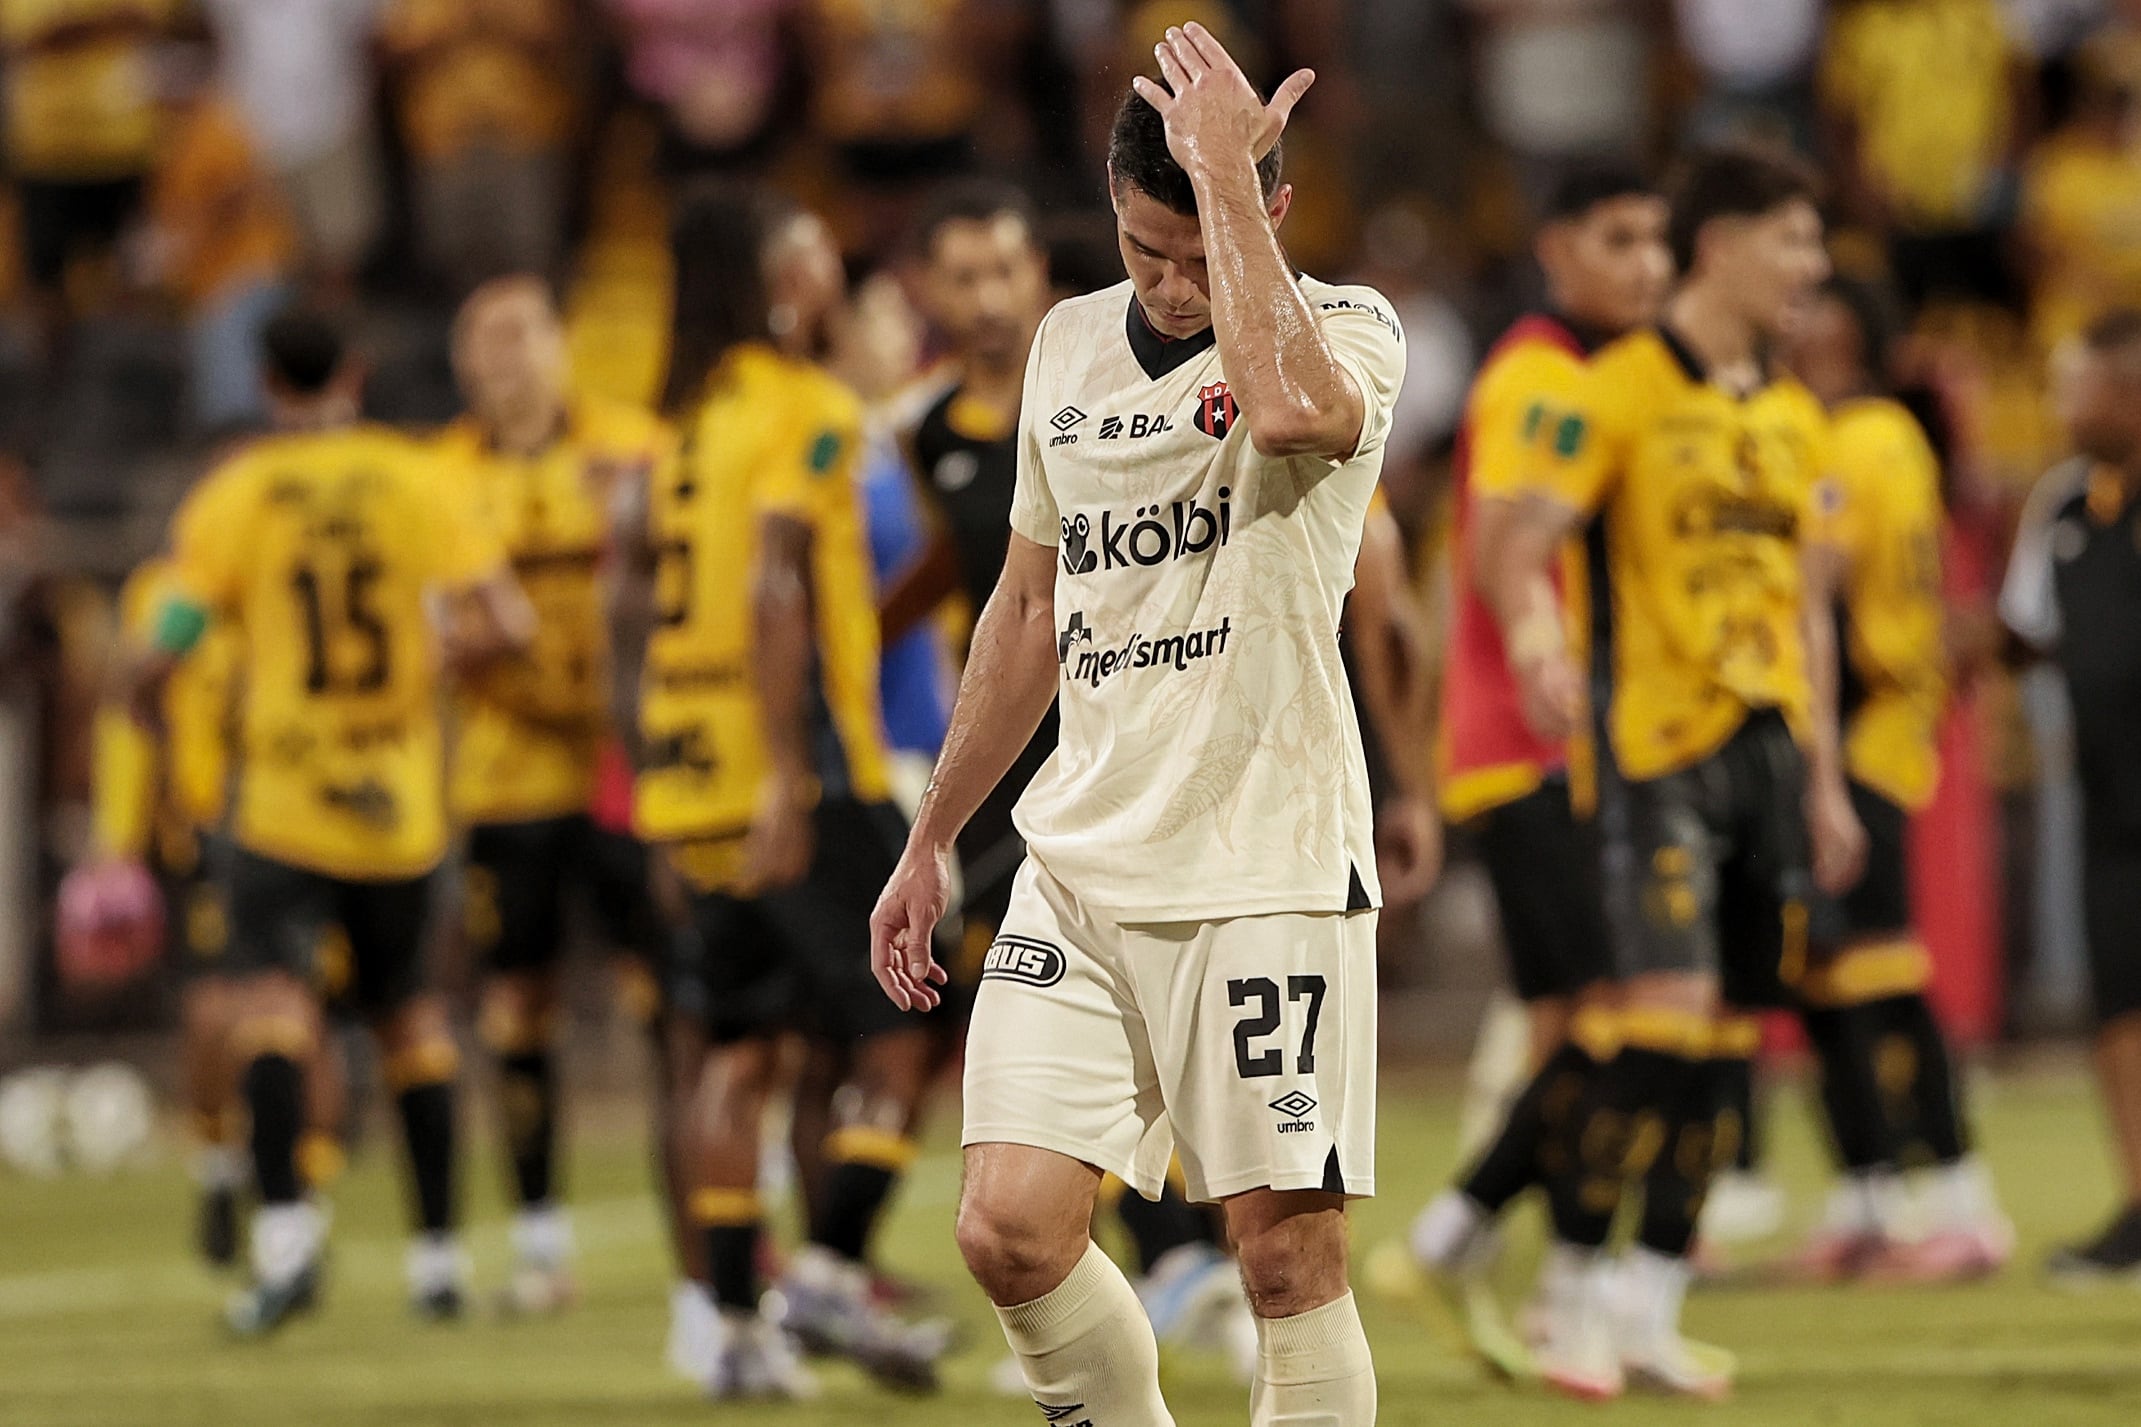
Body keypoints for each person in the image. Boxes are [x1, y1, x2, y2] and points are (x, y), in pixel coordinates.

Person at [871, 25, 1399, 1426]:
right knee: (1010, 1226)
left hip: (1263, 866)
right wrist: (933, 834)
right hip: (1085, 860)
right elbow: (1028, 611)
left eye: (1188, 248)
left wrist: (1225, 185)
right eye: (1138, 247)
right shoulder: (1063, 347)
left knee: (1286, 1253)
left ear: (1264, 210)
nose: (1163, 286)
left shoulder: (1347, 329)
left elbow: (1289, 413)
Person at [1482, 144, 1857, 1399]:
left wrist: (1823, 782)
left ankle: (1644, 1305)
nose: (1811, 268)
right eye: (1793, 241)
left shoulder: (1791, 410)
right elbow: (1519, 538)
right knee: (1653, 1027)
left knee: (1722, 1043)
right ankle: (1571, 1294)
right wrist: (1536, 641)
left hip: (1767, 751)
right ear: (1723, 245)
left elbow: (1806, 610)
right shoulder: (1618, 387)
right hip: (1653, 746)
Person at [887, 177, 1260, 1383]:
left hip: (1188, 782)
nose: (990, 297)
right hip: (1025, 776)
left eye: (1006, 269)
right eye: (963, 275)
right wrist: (927, 807)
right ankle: (1124, 1259)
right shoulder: (934, 424)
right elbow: (1001, 593)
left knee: (1264, 1189)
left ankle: (1178, 1254)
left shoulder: (1193, 372)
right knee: (1016, 1115)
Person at [126, 310, 530, 1336]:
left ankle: (284, 1246)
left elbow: (173, 629)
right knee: (411, 1019)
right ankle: (437, 1260)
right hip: (398, 806)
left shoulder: (239, 493)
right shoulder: (417, 478)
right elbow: (508, 623)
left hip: (281, 804)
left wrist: (140, 691)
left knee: (271, 1010)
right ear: (355, 371)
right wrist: (434, 674)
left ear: (267, 382)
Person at [622, 186, 945, 1397]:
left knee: (737, 1046)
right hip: (797, 769)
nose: (826, 263)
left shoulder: (685, 422)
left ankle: (733, 1326)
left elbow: (639, 600)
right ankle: (826, 1267)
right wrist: (783, 776)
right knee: (911, 1015)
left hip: (688, 774)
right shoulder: (808, 410)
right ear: (773, 279)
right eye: (807, 246)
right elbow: (775, 586)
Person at [1407, 161, 1671, 1380]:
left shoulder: (1580, 376)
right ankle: (1464, 1239)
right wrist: (1539, 653)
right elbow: (1506, 544)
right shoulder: (1541, 380)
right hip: (1532, 743)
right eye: (1618, 238)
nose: (1647, 266)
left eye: (1657, 242)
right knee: (1616, 1018)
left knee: (1587, 1022)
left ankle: (1558, 1279)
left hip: (1535, 741)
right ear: (1556, 248)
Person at [435, 275, 671, 1315]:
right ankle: (539, 1239)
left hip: (630, 775)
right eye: (485, 337)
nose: (508, 353)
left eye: (525, 331)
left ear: (562, 344)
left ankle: (710, 1226)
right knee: (515, 1001)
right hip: (507, 779)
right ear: (461, 362)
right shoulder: (436, 478)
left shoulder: (634, 446)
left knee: (671, 992)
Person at [1783, 274, 2012, 1283]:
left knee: (1880, 969)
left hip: (1861, 728)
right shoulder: (1884, 436)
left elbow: (1816, 594)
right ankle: (1867, 1195)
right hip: (1855, 723)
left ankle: (1963, 1198)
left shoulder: (1858, 439)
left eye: (1825, 336)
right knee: (1825, 973)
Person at [2001, 307, 2141, 1281]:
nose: (2057, 404)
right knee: (2117, 1008)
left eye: (2073, 384)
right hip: (2105, 799)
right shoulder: (2058, 505)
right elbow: (2023, 628)